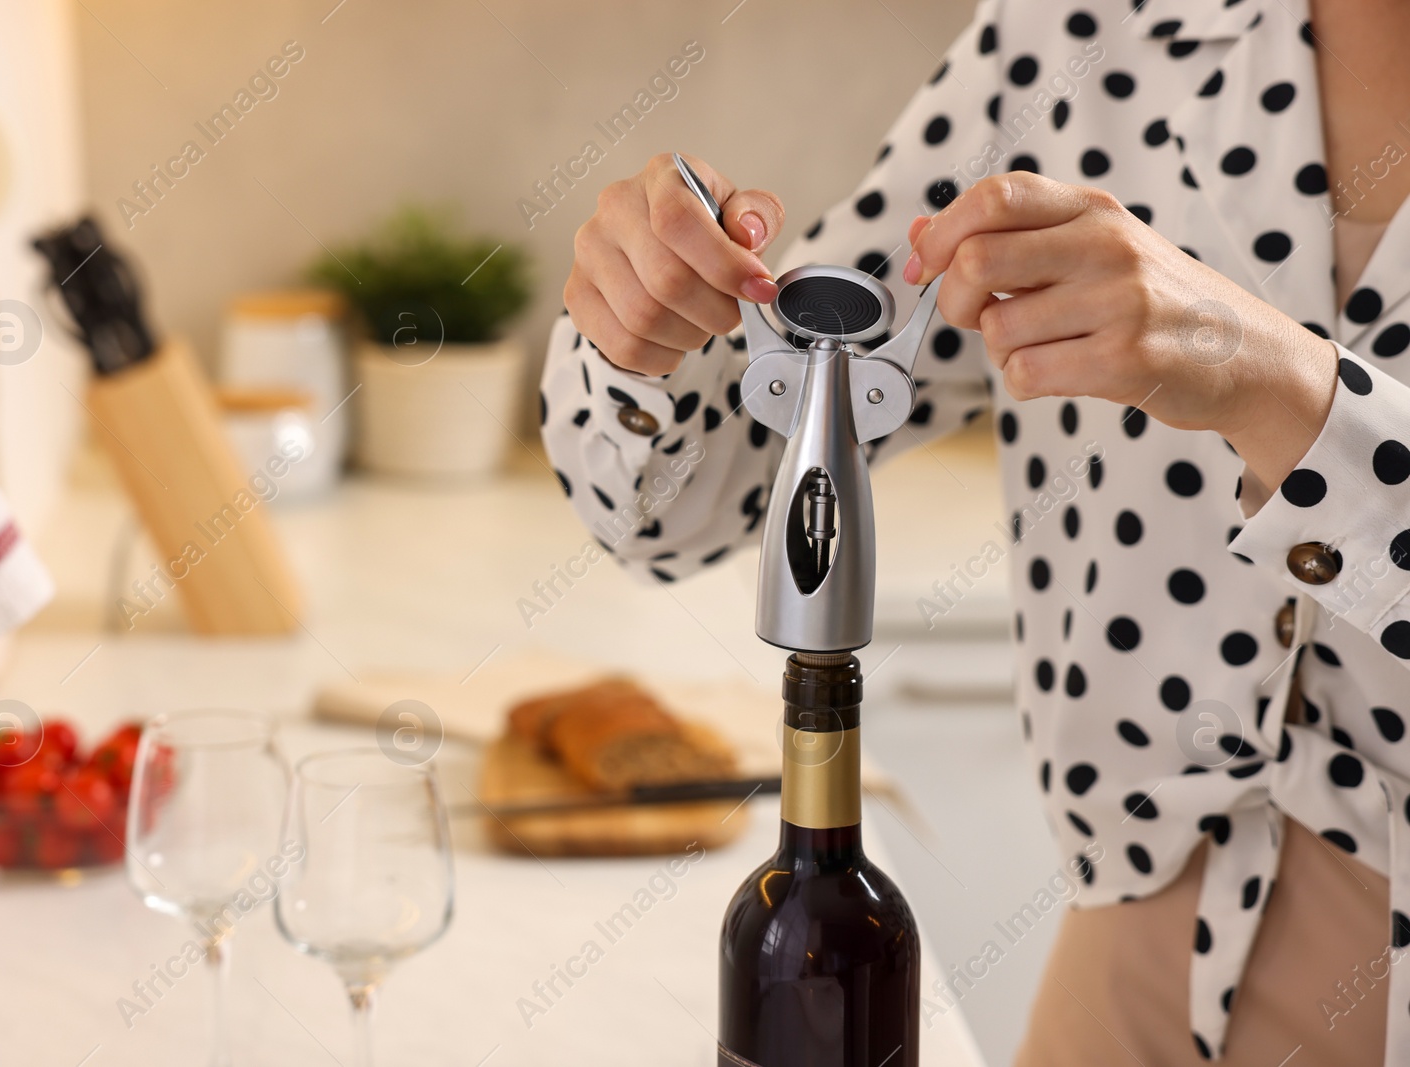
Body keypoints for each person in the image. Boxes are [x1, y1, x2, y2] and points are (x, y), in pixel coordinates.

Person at [537, 0, 1410, 1063]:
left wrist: (1280, 383)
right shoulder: (1081, 32)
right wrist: (641, 326)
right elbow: (681, 506)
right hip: (1136, 954)